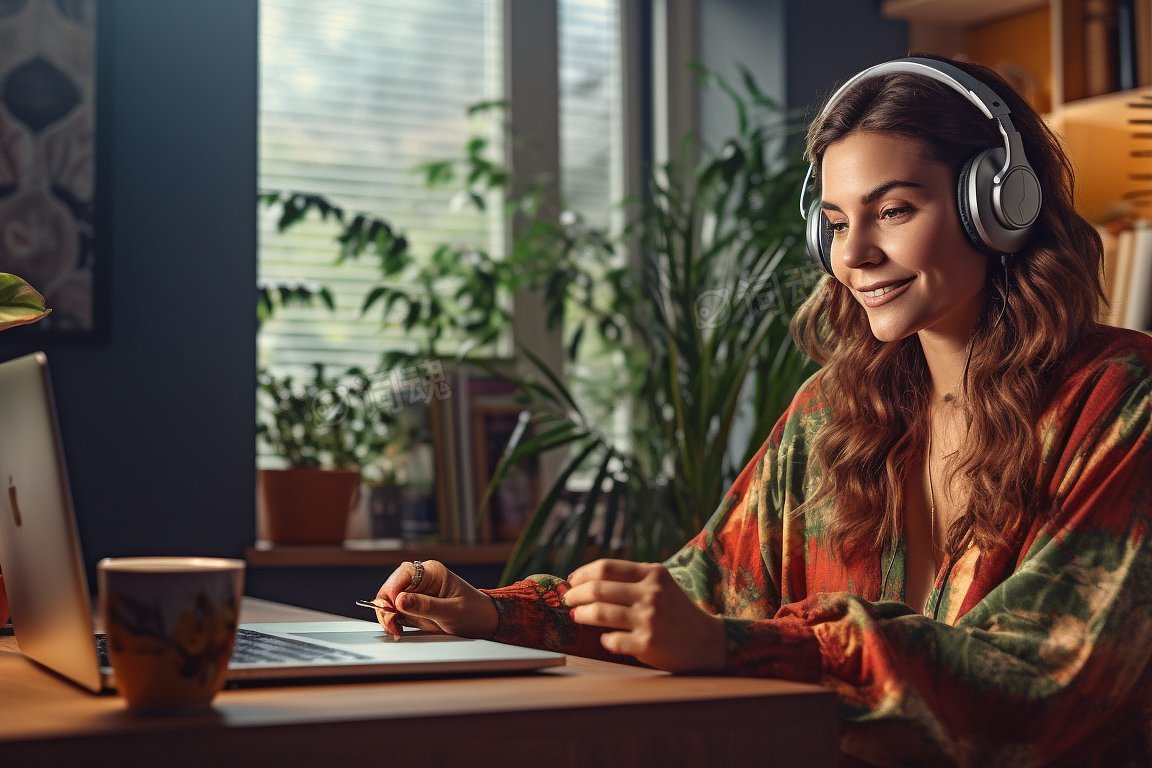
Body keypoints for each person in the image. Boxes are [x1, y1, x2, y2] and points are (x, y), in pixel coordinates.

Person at [370, 56, 1152, 766]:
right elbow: (701, 592)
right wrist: (494, 615)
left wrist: (728, 645)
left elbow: (1039, 683)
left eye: (895, 210)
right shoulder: (833, 415)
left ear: (1000, 205)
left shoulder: (1121, 400)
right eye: (839, 223)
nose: (853, 256)